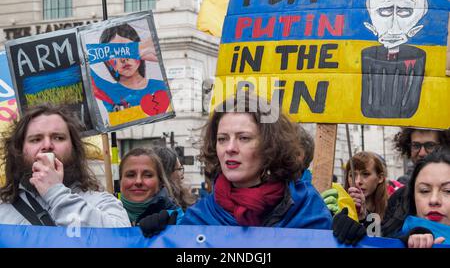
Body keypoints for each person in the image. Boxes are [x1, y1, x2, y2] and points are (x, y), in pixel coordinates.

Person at [174, 92, 332, 228]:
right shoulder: (199, 218)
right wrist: (160, 235)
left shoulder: (307, 207)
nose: (230, 148)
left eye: (243, 138)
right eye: (222, 139)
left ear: (270, 145)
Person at [0, 104, 130, 227]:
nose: (47, 145)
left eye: (58, 138)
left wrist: (56, 193)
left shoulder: (101, 202)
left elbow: (120, 239)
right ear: (19, 150)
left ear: (74, 148)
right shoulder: (3, 210)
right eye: (36, 139)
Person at [382, 127, 450, 237]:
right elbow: (384, 236)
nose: (422, 152)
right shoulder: (398, 198)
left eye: (430, 145)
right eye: (416, 146)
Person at [90, 23, 169, 114]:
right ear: (107, 61)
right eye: (114, 53)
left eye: (128, 49)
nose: (123, 59)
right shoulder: (107, 91)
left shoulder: (162, 86)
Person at [397, 148, 450, 248]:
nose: (434, 200)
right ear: (413, 197)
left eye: (448, 190)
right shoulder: (391, 241)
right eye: (424, 190)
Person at [119, 147, 183, 226]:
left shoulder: (177, 218)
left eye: (148, 175)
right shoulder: (106, 214)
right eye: (130, 175)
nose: (138, 181)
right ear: (120, 181)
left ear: (160, 182)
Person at [344, 152, 388, 223]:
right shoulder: (339, 208)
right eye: (352, 175)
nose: (358, 181)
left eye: (365, 174)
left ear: (380, 178)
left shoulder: (391, 209)